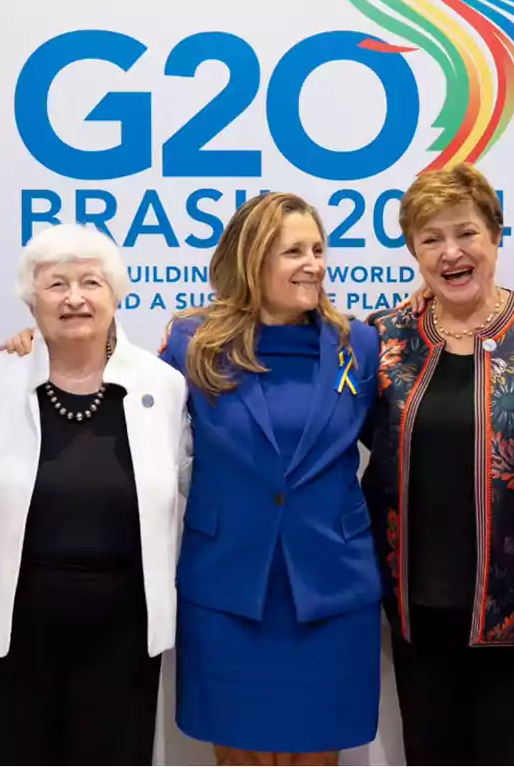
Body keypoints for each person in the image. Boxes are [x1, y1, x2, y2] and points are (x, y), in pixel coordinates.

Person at [361, 163, 514, 765]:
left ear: (495, 237)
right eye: (431, 239)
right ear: (413, 251)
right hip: (416, 609)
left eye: (466, 233)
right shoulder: (387, 335)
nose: (451, 252)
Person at [0, 223, 190, 765]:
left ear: (116, 296)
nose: (75, 298)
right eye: (56, 285)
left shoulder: (163, 384)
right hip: (7, 628)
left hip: (122, 633)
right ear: (31, 302)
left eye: (91, 282)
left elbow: (194, 486)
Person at [160, 192, 381, 766]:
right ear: (252, 260)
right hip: (230, 586)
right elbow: (116, 386)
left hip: (329, 586)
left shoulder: (358, 343)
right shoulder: (193, 343)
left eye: (317, 249)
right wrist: (30, 346)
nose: (313, 263)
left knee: (316, 755)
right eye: (293, 252)